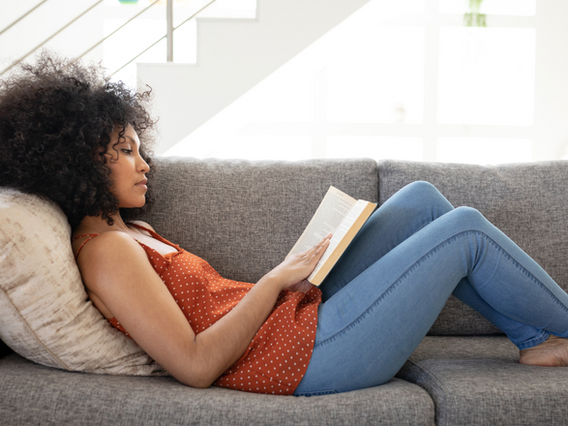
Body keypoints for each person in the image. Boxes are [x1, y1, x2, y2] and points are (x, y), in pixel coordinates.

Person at [1, 54, 568, 397]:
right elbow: (195, 366)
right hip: (308, 358)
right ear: (77, 160)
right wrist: (274, 281)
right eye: (125, 151)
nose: (144, 163)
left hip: (295, 326)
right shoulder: (105, 251)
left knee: (420, 200)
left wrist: (294, 281)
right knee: (463, 230)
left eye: (139, 148)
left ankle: (535, 339)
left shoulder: (127, 232)